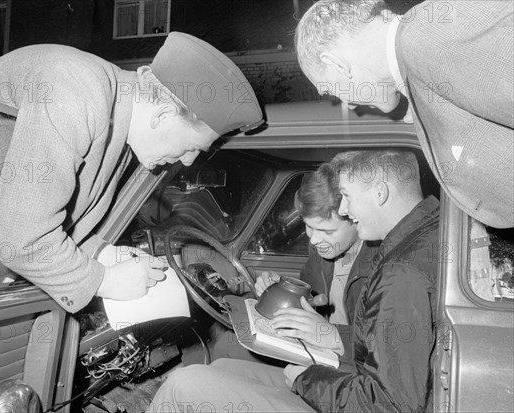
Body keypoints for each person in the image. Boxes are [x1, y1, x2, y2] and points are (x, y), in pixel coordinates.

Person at [0, 32, 263, 313]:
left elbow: (54, 212)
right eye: (192, 147)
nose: (187, 162)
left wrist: (102, 253)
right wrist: (104, 282)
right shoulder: (78, 93)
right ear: (163, 116)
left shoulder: (117, 118)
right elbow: (22, 239)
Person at [147, 149, 439, 412]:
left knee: (182, 385)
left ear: (379, 194)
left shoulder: (400, 272)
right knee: (221, 364)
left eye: (347, 197)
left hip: (346, 383)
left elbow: (389, 402)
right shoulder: (415, 241)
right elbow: (376, 345)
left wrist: (309, 376)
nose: (346, 209)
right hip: (345, 374)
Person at [295, 0, 513, 229]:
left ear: (336, 64)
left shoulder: (429, 40)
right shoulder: (420, 50)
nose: (348, 105)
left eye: (330, 90)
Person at [192, 162, 377, 364]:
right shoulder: (323, 247)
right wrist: (280, 288)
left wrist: (331, 335)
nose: (314, 240)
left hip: (348, 364)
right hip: (313, 346)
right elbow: (312, 295)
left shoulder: (385, 267)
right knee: (225, 341)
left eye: (327, 231)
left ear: (357, 219)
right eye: (308, 227)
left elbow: (389, 349)